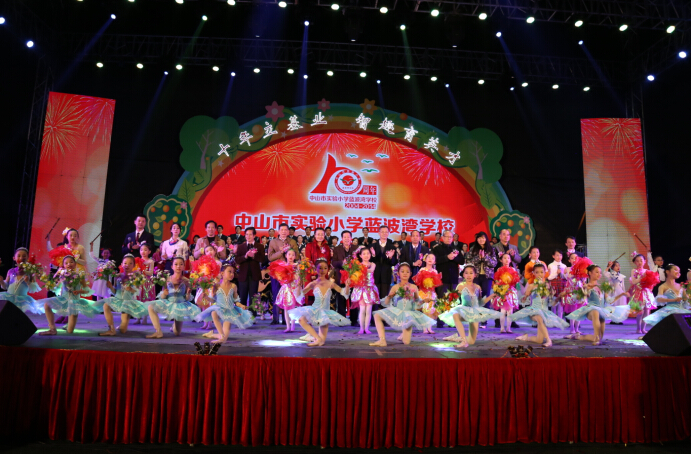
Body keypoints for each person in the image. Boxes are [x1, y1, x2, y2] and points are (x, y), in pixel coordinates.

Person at [288, 258, 351, 347]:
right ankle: (316, 338)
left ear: (328, 269)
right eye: (320, 268)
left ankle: (317, 339)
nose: (323, 270)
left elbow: (345, 293)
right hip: (315, 310)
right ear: (316, 269)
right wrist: (298, 285)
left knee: (322, 342)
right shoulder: (313, 283)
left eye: (325, 268)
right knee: (301, 319)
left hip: (325, 312)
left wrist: (347, 286)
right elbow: (299, 295)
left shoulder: (330, 284)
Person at [369, 263, 436, 346]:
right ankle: (382, 340)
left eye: (407, 272)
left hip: (408, 315)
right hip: (397, 312)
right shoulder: (395, 287)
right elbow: (386, 303)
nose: (405, 273)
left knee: (406, 342)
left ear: (410, 274)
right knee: (377, 315)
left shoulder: (414, 287)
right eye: (402, 271)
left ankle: (403, 333)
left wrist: (423, 301)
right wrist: (389, 297)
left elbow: (417, 302)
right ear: (398, 273)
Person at [565, 264, 630, 345]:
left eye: (600, 272)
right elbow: (579, 299)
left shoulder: (602, 287)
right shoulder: (586, 286)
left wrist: (622, 294)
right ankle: (596, 339)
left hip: (601, 311)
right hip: (591, 311)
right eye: (596, 272)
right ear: (590, 273)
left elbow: (609, 301)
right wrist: (585, 290)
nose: (599, 274)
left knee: (599, 337)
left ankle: (577, 336)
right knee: (595, 311)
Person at [438, 266, 500, 348]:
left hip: (475, 312)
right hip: (464, 311)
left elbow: (480, 303)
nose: (468, 275)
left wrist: (491, 296)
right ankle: (464, 341)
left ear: (475, 275)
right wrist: (447, 301)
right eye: (466, 273)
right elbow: (454, 299)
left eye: (471, 273)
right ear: (463, 275)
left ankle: (456, 338)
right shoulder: (460, 286)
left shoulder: (478, 287)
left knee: (471, 341)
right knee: (455, 314)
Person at [511, 264, 568, 347]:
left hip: (544, 312)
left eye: (541, 272)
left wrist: (558, 297)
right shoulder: (531, 286)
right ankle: (549, 340)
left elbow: (552, 303)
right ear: (533, 273)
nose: (539, 274)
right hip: (533, 311)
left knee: (539, 340)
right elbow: (523, 300)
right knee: (539, 317)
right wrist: (524, 298)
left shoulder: (548, 286)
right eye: (537, 272)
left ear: (545, 273)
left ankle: (526, 337)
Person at [39, 255, 97, 335]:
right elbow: (56, 287)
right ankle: (52, 329)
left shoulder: (80, 276)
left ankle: (69, 325)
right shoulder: (62, 275)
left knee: (69, 332)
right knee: (46, 304)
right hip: (63, 299)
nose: (69, 264)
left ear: (75, 264)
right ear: (63, 265)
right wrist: (50, 286)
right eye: (66, 263)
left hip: (74, 302)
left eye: (71, 262)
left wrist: (79, 291)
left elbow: (87, 291)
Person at [195, 264, 254, 342]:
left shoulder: (233, 286)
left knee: (224, 339)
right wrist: (206, 297)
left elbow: (236, 301)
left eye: (233, 272)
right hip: (219, 309)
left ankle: (213, 335)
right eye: (229, 272)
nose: (232, 274)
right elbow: (213, 300)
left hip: (229, 311)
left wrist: (241, 305)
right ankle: (221, 335)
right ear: (222, 273)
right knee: (213, 312)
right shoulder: (217, 286)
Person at [146, 257, 200, 338]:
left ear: (184, 266)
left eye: (181, 264)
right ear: (172, 266)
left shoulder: (186, 281)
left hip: (180, 305)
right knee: (151, 306)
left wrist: (188, 294)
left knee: (177, 333)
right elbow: (162, 296)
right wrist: (164, 293)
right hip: (169, 303)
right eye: (176, 264)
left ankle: (174, 326)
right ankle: (158, 331)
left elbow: (187, 298)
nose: (178, 266)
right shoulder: (167, 279)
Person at [97, 254, 148, 336]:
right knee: (106, 305)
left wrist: (131, 289)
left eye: (130, 263)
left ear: (134, 265)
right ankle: (111, 329)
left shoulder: (135, 277)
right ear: (121, 264)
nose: (127, 265)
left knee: (122, 331)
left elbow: (137, 291)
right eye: (125, 263)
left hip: (127, 303)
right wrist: (110, 287)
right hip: (117, 300)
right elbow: (115, 292)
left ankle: (124, 322)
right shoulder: (117, 276)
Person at [267, 223, 299, 325]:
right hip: (277, 272)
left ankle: (286, 319)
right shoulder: (273, 242)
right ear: (278, 231)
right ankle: (275, 318)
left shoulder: (292, 241)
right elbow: (270, 257)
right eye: (282, 230)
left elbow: (297, 256)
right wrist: (281, 252)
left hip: (289, 271)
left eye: (286, 230)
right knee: (276, 294)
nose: (284, 232)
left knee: (288, 295)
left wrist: (290, 251)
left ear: (288, 231)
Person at [465, 231, 497, 328]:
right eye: (479, 238)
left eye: (483, 238)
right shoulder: (473, 249)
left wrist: (485, 257)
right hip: (476, 276)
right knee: (475, 296)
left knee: (485, 297)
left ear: (486, 239)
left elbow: (494, 263)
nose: (481, 240)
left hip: (487, 277)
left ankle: (484, 320)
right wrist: (479, 258)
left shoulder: (491, 249)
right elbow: (468, 261)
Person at [0, 247, 43, 314]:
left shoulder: (30, 272)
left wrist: (28, 282)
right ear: (14, 258)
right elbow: (5, 287)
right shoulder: (10, 271)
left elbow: (33, 289)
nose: (21, 258)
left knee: (16, 314)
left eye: (24, 256)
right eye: (19, 256)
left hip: (22, 300)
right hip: (9, 297)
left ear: (27, 258)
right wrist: (2, 281)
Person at [272, 249, 304, 332]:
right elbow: (280, 278)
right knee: (286, 308)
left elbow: (299, 277)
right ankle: (288, 326)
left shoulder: (296, 265)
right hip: (286, 289)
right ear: (286, 255)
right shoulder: (283, 265)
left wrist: (297, 283)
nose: (291, 256)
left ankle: (293, 325)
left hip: (294, 288)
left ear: (295, 256)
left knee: (293, 308)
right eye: (289, 254)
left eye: (293, 255)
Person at [350, 246, 379, 334]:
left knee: (369, 310)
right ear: (360, 255)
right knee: (362, 309)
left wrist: (361, 269)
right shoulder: (358, 265)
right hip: (361, 289)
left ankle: (367, 328)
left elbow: (370, 270)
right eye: (364, 254)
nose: (366, 255)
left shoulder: (372, 264)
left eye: (368, 253)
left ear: (370, 255)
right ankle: (361, 328)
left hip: (370, 289)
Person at [235, 227, 265, 310]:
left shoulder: (260, 246)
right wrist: (245, 256)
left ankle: (252, 315)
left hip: (254, 275)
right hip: (243, 275)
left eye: (250, 234)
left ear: (254, 235)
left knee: (253, 297)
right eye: (246, 234)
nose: (248, 236)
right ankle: (242, 314)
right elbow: (237, 260)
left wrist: (254, 256)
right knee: (242, 296)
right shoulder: (241, 247)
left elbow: (263, 259)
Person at [433, 230, 464, 307]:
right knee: (442, 302)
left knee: (454, 301)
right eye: (447, 237)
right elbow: (435, 260)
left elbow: (462, 261)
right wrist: (447, 257)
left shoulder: (456, 249)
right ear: (443, 238)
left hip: (454, 278)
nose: (449, 238)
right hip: (442, 279)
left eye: (450, 237)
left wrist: (454, 258)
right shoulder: (437, 249)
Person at [413, 253, 442, 334]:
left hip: (431, 293)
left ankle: (429, 327)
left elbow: (436, 284)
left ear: (434, 262)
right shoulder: (422, 270)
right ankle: (424, 328)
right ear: (425, 259)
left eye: (432, 258)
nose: (430, 259)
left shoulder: (435, 271)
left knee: (431, 310)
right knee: (425, 310)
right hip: (423, 292)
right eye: (428, 257)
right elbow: (418, 281)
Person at [331, 230, 356, 318]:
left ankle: (354, 319)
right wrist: (342, 262)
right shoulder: (337, 249)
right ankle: (341, 319)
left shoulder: (356, 248)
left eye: (348, 237)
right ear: (342, 238)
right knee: (341, 298)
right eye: (344, 237)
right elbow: (334, 263)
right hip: (340, 276)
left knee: (353, 298)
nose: (346, 239)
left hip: (353, 277)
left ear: (351, 238)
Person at [547, 249, 567, 320]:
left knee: (561, 304)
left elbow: (566, 278)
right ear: (553, 256)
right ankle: (553, 320)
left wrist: (563, 274)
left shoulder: (564, 266)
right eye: (557, 255)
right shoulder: (550, 265)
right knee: (554, 303)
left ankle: (560, 320)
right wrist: (556, 273)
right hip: (554, 285)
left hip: (562, 285)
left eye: (560, 255)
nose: (559, 257)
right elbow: (548, 277)